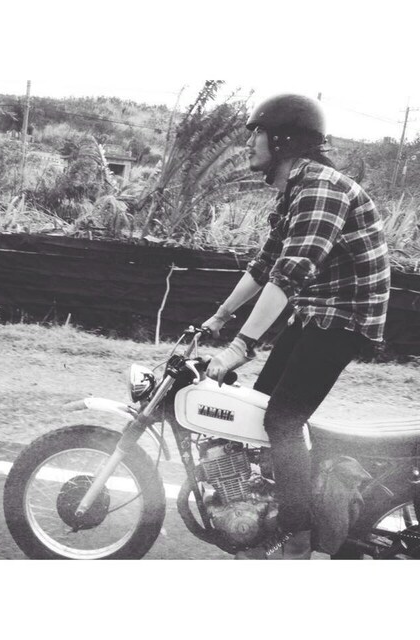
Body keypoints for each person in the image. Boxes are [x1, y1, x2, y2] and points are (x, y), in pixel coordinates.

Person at [202, 94, 391, 559]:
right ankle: (272, 507)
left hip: (342, 318)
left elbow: (291, 273)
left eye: (257, 133)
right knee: (260, 407)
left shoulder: (323, 188)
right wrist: (220, 317)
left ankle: (299, 538)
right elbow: (266, 263)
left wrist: (240, 346)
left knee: (282, 418)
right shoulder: (297, 190)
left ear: (284, 140)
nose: (250, 142)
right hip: (316, 312)